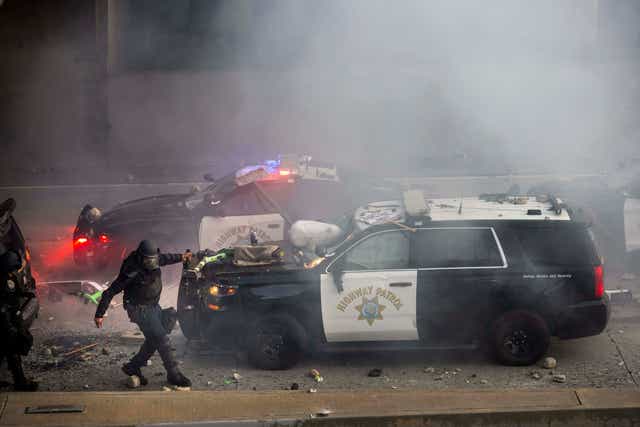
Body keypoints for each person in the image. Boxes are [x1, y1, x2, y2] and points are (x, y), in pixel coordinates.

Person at [94, 240, 192, 387]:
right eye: (148, 260)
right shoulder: (131, 270)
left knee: (163, 327)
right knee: (161, 338)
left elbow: (165, 258)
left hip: (152, 306)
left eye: (154, 260)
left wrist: (181, 257)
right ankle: (174, 374)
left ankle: (133, 366)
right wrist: (100, 314)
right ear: (141, 258)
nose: (152, 263)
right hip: (139, 309)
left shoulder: (154, 259)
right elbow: (110, 292)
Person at [0, 248, 38, 391]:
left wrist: (25, 293)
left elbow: (15, 292)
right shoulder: (4, 280)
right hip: (7, 321)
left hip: (11, 318)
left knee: (8, 351)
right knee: (13, 352)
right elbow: (3, 306)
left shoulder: (9, 276)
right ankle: (21, 383)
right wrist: (10, 327)